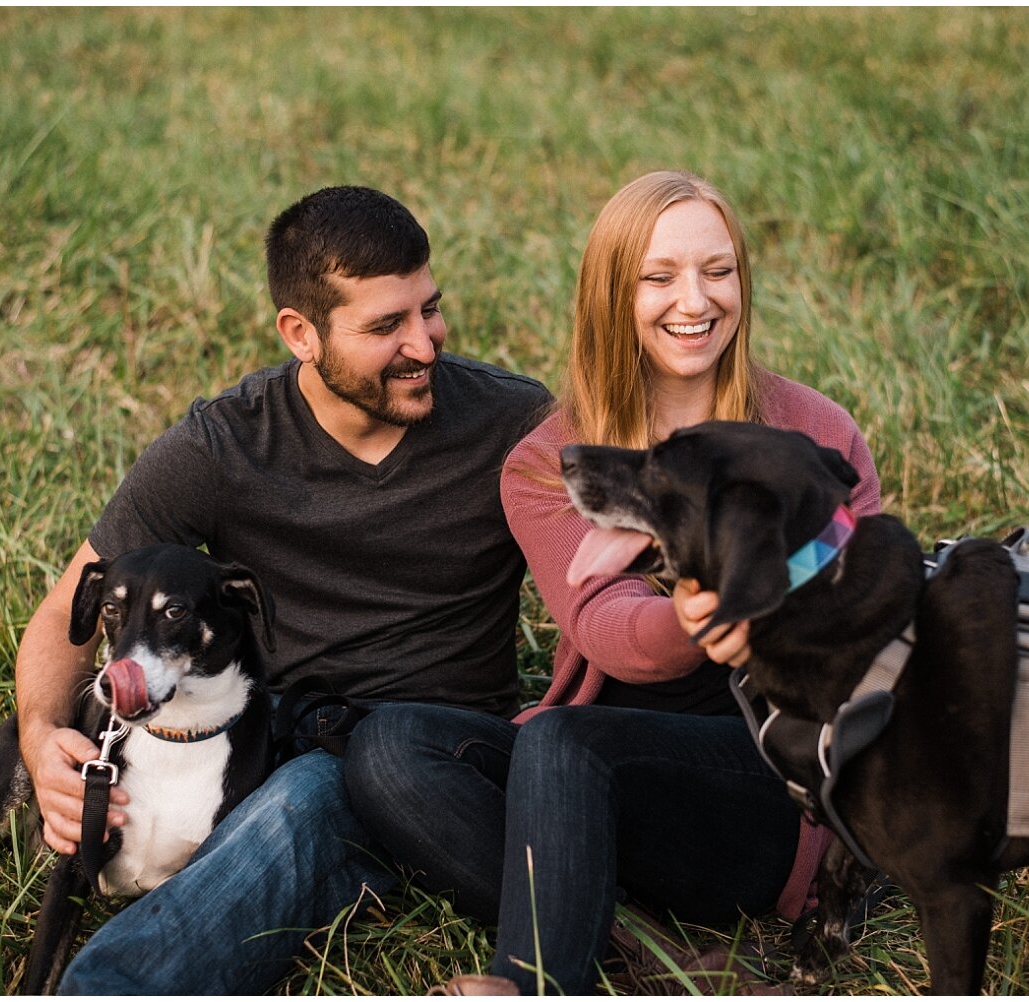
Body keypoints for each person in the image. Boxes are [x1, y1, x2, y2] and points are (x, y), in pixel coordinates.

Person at [345, 170, 882, 994]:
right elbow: (608, 630)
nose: (695, 301)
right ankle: (632, 941)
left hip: (765, 788)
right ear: (611, 296)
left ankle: (537, 982)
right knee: (389, 748)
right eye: (658, 278)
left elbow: (870, 621)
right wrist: (694, 614)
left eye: (719, 270)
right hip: (592, 781)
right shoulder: (552, 461)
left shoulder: (815, 432)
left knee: (566, 746)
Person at [11, 185, 552, 993]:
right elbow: (68, 608)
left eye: (429, 310)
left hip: (436, 755)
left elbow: (603, 579)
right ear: (301, 334)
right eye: (385, 327)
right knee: (265, 809)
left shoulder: (511, 423)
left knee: (307, 804)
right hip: (270, 734)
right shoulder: (223, 445)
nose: (426, 345)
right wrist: (38, 733)